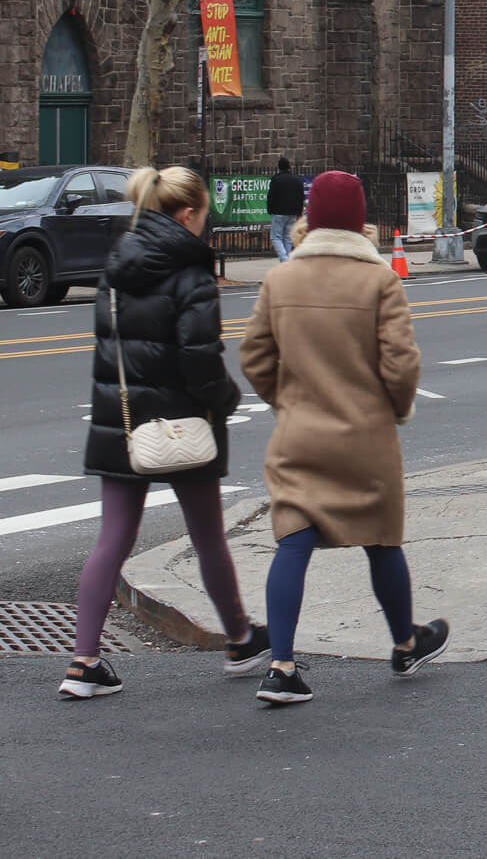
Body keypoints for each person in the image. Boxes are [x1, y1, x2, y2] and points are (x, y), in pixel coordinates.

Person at [238, 171, 446, 706]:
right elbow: (401, 365)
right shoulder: (379, 281)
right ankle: (404, 642)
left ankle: (281, 667)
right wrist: (394, 411)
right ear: (359, 220)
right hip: (366, 435)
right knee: (381, 539)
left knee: (294, 537)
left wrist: (286, 401)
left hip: (299, 432)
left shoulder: (280, 280)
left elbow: (255, 358)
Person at [63, 166, 267, 699]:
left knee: (113, 536)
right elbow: (199, 360)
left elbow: (111, 345)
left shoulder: (116, 264)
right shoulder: (192, 273)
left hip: (122, 421)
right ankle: (240, 638)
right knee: (207, 537)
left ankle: (84, 661)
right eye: (204, 215)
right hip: (181, 427)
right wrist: (225, 400)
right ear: (187, 214)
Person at [267, 156, 304, 263]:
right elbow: (300, 197)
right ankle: (288, 260)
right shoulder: (297, 179)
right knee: (287, 238)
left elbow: (271, 196)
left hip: (278, 212)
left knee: (276, 237)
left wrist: (270, 209)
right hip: (292, 213)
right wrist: (299, 212)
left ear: (279, 167)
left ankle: (284, 260)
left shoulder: (276, 179)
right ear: (289, 167)